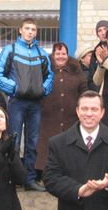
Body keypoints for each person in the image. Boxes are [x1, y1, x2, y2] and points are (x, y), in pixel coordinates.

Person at [0, 18, 54, 191]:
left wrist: (42, 90)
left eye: (33, 29)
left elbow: (50, 76)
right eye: (27, 28)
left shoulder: (41, 53)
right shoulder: (10, 50)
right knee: (13, 140)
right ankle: (10, 179)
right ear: (20, 30)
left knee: (33, 142)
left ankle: (29, 179)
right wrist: (15, 88)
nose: (30, 32)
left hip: (35, 103)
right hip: (17, 102)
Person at [36, 42, 88, 178]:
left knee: (69, 146)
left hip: (71, 117)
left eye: (63, 54)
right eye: (57, 54)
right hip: (48, 117)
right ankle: (46, 176)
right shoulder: (44, 69)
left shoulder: (77, 70)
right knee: (47, 147)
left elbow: (83, 92)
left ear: (67, 55)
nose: (60, 56)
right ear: (53, 55)